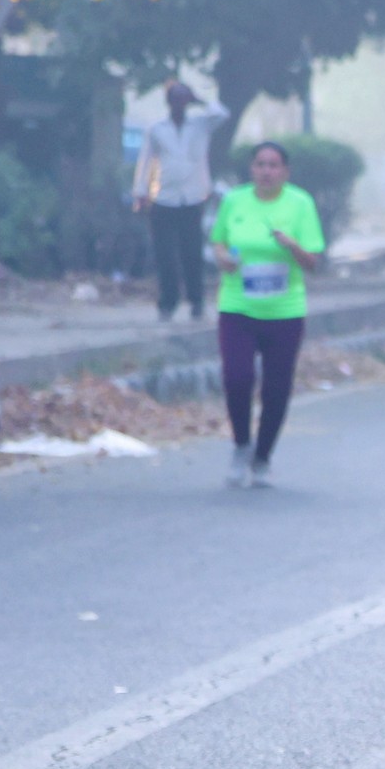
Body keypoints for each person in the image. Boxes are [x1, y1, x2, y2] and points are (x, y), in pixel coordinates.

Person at [210, 141, 326, 487]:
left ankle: (262, 457)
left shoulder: (300, 203)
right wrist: (223, 259)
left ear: (285, 172)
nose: (266, 171)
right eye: (260, 164)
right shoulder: (234, 201)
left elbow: (313, 262)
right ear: (251, 169)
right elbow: (218, 241)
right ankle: (241, 445)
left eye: (274, 165)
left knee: (276, 388)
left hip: (284, 311)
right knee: (237, 378)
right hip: (237, 307)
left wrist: (291, 245)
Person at [132, 79, 229, 323]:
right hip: (163, 197)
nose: (180, 102)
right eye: (176, 97)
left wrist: (201, 100)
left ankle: (196, 302)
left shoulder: (201, 125)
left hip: (193, 197)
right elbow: (145, 161)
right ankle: (168, 303)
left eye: (184, 97)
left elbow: (222, 114)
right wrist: (141, 192)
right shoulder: (157, 129)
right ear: (169, 101)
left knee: (192, 253)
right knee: (165, 255)